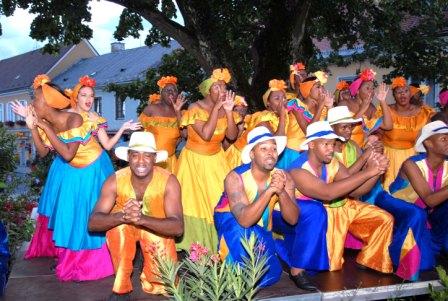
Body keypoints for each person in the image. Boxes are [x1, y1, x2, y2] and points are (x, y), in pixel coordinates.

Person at [23, 75, 114, 281]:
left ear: (47, 102)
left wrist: (42, 126)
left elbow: (67, 154)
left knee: (88, 213)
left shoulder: (75, 119)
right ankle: (69, 253)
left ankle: (92, 262)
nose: (32, 104)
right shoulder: (47, 121)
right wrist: (32, 128)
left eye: (35, 99)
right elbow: (43, 152)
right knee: (72, 213)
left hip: (93, 168)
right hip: (74, 170)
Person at [329, 107, 433, 280]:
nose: (348, 131)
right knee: (332, 266)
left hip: (371, 194)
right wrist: (366, 158)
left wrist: (377, 154)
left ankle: (386, 259)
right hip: (338, 202)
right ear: (332, 128)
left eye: (350, 127)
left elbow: (367, 170)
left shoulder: (353, 146)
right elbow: (345, 180)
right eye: (344, 127)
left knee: (412, 213)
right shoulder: (326, 149)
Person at [283, 121, 394, 275]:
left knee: (383, 218)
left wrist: (377, 171)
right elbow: (328, 193)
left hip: (343, 206)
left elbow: (356, 191)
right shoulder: (298, 170)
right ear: (312, 145)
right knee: (332, 265)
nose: (331, 149)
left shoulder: (332, 162)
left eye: (332, 144)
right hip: (317, 217)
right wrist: (368, 172)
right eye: (326, 144)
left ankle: (371, 260)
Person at [89, 131, 183, 300]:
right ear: (128, 157)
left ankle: (153, 276)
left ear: (155, 159)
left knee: (163, 285)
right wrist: (123, 216)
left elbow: (177, 228)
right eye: (135, 155)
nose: (141, 161)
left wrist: (142, 219)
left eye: (147, 156)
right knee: (119, 230)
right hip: (126, 228)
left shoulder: (169, 181)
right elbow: (93, 223)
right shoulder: (115, 180)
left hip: (156, 230)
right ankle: (122, 286)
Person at [214, 126, 299, 287]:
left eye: (274, 148)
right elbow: (244, 221)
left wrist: (281, 192)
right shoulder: (235, 177)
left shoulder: (284, 177)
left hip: (261, 225)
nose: (270, 153)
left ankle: (275, 249)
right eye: (264, 148)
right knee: (240, 232)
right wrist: (270, 191)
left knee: (270, 274)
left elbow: (293, 219)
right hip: (233, 221)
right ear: (252, 154)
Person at [175, 68, 240, 252]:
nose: (221, 91)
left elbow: (232, 136)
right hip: (194, 162)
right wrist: (217, 108)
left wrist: (228, 112)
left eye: (223, 87)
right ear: (207, 90)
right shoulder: (195, 109)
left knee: (219, 200)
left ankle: (221, 244)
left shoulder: (226, 109)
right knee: (195, 204)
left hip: (217, 160)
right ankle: (198, 247)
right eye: (217, 87)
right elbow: (206, 134)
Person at [382, 76, 434, 189]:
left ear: (410, 93)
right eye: (398, 92)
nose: (402, 95)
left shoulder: (424, 112)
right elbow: (377, 131)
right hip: (389, 158)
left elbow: (431, 135)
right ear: (394, 96)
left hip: (413, 156)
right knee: (389, 192)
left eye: (405, 91)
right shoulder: (386, 110)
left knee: (410, 192)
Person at [139, 76, 186, 172]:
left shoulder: (182, 113)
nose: (171, 93)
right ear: (161, 93)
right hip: (151, 160)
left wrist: (178, 112)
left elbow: (184, 135)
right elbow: (138, 132)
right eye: (167, 90)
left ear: (177, 94)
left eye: (174, 90)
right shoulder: (151, 109)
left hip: (170, 162)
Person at [340, 68, 392, 147]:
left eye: (372, 88)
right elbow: (344, 131)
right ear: (357, 91)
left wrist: (383, 101)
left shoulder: (371, 107)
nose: (371, 91)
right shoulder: (345, 104)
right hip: (346, 149)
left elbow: (388, 126)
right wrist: (362, 109)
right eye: (367, 88)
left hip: (362, 150)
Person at [223, 95, 249, 169]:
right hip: (229, 164)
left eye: (242, 110)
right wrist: (240, 130)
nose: (240, 113)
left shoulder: (249, 124)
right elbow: (226, 148)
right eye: (237, 110)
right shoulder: (226, 125)